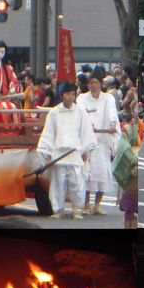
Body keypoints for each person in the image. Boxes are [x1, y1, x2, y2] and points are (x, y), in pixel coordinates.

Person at [37, 81, 97, 219]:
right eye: (67, 94)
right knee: (58, 184)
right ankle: (58, 209)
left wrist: (86, 149)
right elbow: (49, 133)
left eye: (72, 94)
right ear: (62, 95)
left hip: (75, 153)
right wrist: (46, 151)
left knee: (77, 183)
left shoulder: (80, 111)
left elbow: (85, 131)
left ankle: (77, 209)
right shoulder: (54, 112)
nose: (70, 97)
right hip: (59, 153)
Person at [77, 66, 121, 215]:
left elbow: (111, 113)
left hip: (102, 141)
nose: (93, 85)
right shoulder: (82, 98)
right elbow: (80, 115)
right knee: (86, 173)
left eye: (96, 82)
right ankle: (86, 204)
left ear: (101, 83)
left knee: (101, 172)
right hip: (86, 141)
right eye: (91, 82)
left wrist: (112, 124)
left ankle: (97, 204)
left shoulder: (108, 98)